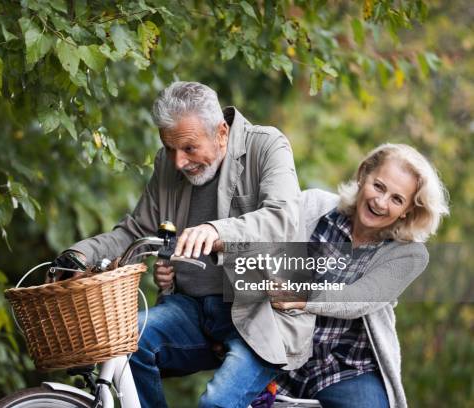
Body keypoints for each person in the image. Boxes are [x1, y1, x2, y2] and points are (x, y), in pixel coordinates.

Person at [54, 81, 311, 408]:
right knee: (124, 344)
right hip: (191, 310)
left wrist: (217, 232)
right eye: (170, 148)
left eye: (189, 148)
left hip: (261, 314)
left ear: (221, 133)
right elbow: (135, 231)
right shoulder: (168, 161)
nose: (178, 162)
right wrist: (81, 254)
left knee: (215, 404)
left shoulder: (266, 145)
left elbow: (283, 218)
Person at [268, 143, 449, 408]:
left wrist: (303, 295)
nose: (381, 202)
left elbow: (358, 298)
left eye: (397, 199)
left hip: (348, 367)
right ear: (363, 175)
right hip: (282, 353)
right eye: (378, 186)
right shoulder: (313, 206)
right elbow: (265, 258)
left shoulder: (408, 254)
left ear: (408, 210)